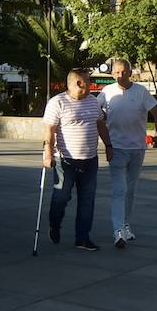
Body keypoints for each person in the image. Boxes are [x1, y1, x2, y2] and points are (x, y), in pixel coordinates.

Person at [97, 58, 157, 249]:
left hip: (137, 149)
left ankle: (125, 225)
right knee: (120, 190)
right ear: (112, 74)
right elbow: (94, 110)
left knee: (131, 190)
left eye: (124, 72)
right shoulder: (106, 92)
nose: (120, 75)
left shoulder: (141, 91)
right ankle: (118, 231)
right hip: (116, 148)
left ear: (130, 72)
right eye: (117, 72)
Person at [43, 69, 111, 251]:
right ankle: (54, 224)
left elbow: (100, 125)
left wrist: (108, 146)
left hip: (90, 160)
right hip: (65, 161)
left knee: (87, 200)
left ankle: (82, 237)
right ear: (80, 83)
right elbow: (49, 131)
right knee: (61, 197)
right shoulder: (57, 102)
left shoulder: (93, 102)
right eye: (89, 80)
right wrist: (47, 152)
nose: (91, 83)